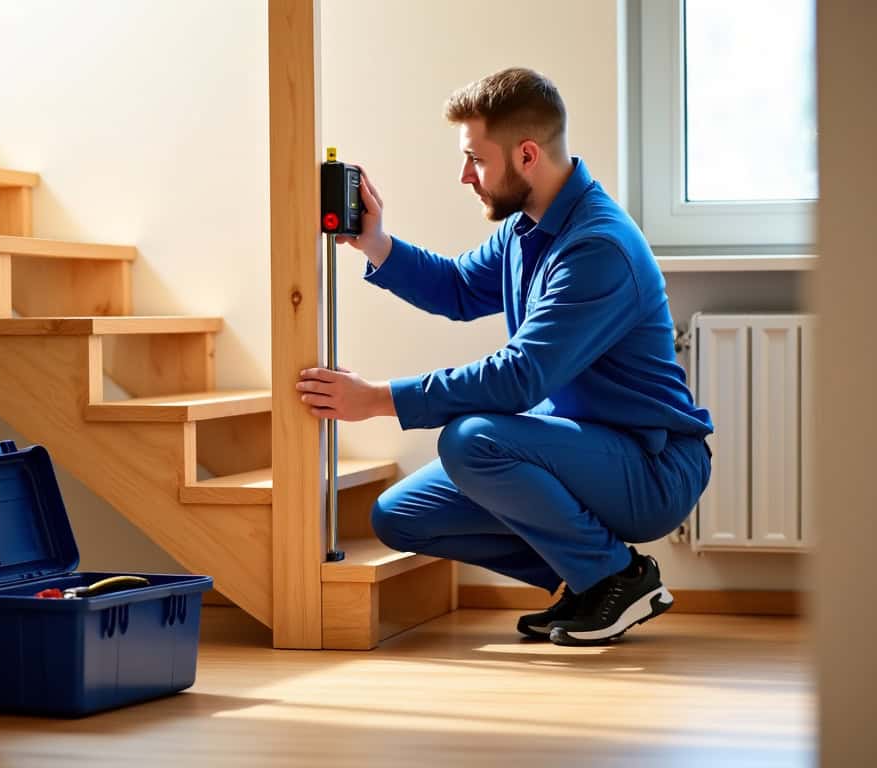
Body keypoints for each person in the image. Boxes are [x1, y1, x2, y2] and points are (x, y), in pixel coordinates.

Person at [295, 67, 713, 646]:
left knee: (472, 439)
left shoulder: (596, 247)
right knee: (400, 515)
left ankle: (615, 577)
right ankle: (590, 579)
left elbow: (521, 377)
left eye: (476, 159)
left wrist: (377, 400)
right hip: (583, 442)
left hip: (651, 467)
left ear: (525, 154)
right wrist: (375, 241)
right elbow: (461, 288)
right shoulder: (527, 227)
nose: (465, 175)